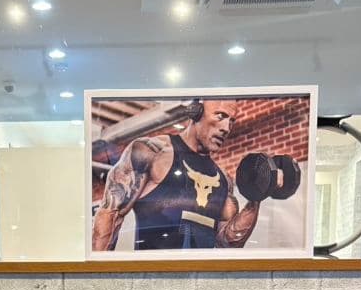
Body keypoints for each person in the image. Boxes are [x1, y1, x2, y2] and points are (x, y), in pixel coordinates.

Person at [91, 99, 260, 252]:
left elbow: (227, 244)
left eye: (231, 121)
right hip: (155, 274)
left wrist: (255, 199)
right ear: (196, 112)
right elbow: (110, 214)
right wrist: (99, 270)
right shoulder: (152, 152)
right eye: (220, 116)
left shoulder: (223, 179)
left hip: (200, 275)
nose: (226, 128)